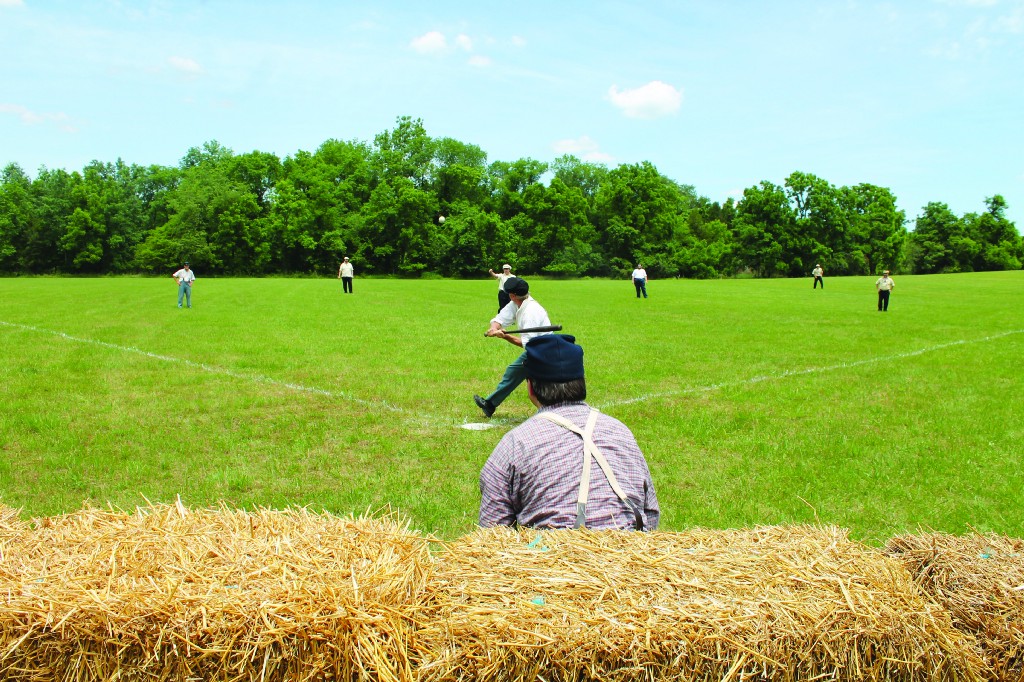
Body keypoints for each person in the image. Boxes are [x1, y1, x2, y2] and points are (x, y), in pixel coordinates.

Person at [479, 334, 660, 530]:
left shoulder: (515, 444)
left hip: (553, 556)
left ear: (530, 387)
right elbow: (650, 513)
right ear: (582, 382)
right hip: (633, 554)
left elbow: (493, 531)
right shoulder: (621, 431)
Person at [473, 277, 552, 418]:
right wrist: (493, 328)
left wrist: (506, 336)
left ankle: (550, 414)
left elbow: (527, 344)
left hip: (544, 350)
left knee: (534, 390)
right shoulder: (517, 303)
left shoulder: (531, 312)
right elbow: (501, 319)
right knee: (514, 371)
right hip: (535, 349)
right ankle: (490, 404)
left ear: (512, 295)